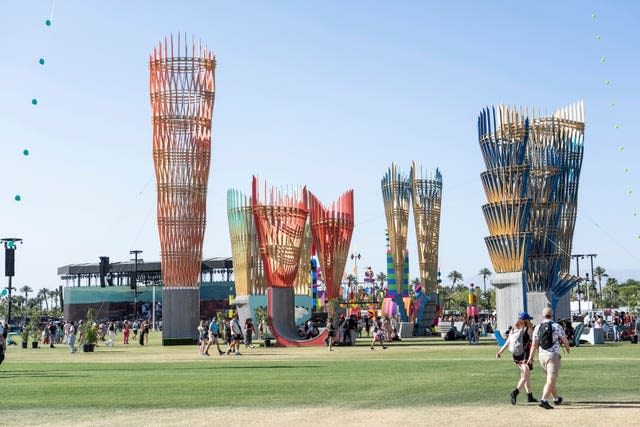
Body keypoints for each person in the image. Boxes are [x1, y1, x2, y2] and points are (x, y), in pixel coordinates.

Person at [527, 307, 571, 410]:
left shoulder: (537, 327)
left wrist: (531, 357)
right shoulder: (556, 326)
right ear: (552, 315)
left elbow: (534, 344)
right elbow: (564, 340)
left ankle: (556, 399)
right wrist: (567, 348)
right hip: (552, 356)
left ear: (543, 316)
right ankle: (544, 400)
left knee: (550, 379)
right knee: (551, 379)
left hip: (541, 356)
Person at [496, 312, 537, 404]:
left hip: (516, 354)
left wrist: (500, 352)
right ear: (526, 320)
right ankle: (515, 392)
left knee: (525, 375)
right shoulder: (528, 328)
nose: (530, 321)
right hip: (525, 354)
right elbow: (534, 341)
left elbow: (508, 342)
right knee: (526, 375)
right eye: (529, 319)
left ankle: (529, 396)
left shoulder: (514, 329)